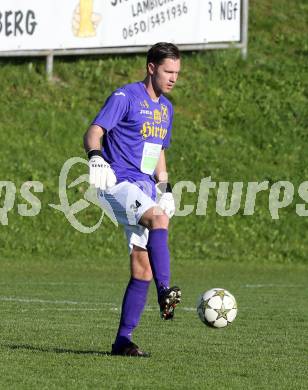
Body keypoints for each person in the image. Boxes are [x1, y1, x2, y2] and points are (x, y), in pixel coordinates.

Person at [83, 42, 181, 357]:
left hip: (144, 187)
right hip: (116, 182)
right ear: (151, 67)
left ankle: (122, 341)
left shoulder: (166, 108)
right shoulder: (125, 97)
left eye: (177, 72)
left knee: (142, 267)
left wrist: (164, 187)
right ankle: (166, 291)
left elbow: (158, 151)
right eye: (168, 71)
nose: (173, 78)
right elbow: (94, 130)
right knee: (158, 219)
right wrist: (95, 157)